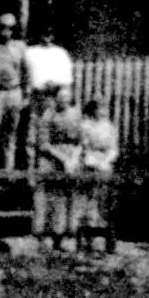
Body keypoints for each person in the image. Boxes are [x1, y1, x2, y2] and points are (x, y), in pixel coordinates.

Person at [33, 91, 87, 244]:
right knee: (52, 196)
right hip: (52, 157)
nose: (64, 100)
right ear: (56, 99)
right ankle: (48, 235)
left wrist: (74, 158)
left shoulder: (76, 115)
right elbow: (44, 144)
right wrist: (63, 159)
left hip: (72, 159)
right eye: (61, 98)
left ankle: (70, 235)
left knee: (73, 195)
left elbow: (81, 142)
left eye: (66, 97)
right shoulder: (48, 115)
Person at [0, 13, 30, 170]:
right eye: (2, 27)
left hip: (15, 93)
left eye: (10, 28)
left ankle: (8, 171)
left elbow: (26, 72)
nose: (6, 31)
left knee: (11, 134)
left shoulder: (20, 47)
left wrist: (26, 94)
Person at [72, 96, 121, 250]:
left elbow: (114, 149)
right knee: (88, 200)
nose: (102, 111)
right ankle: (86, 237)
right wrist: (93, 162)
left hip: (105, 165)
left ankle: (107, 239)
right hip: (90, 164)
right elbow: (84, 147)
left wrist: (106, 161)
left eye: (104, 108)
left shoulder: (110, 127)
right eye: (99, 108)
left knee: (105, 200)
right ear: (93, 110)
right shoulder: (86, 126)